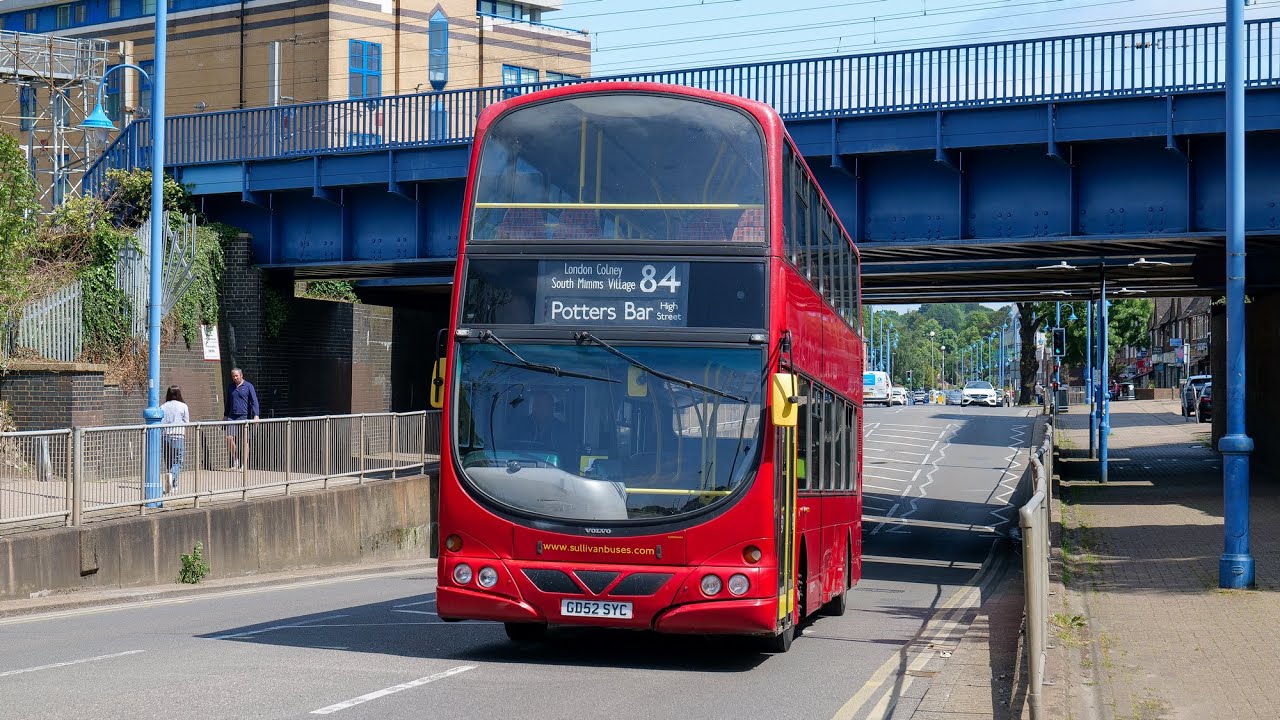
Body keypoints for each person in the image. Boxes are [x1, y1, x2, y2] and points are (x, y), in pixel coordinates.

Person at [224, 367, 260, 469]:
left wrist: (256, 415)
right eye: (233, 376)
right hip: (232, 416)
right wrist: (225, 415)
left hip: (244, 416)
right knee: (229, 438)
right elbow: (228, 402)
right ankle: (236, 460)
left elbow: (254, 401)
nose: (235, 378)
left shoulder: (248, 386)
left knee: (245, 440)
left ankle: (244, 464)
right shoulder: (231, 387)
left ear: (241, 375)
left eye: (236, 376)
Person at [161, 385, 190, 493]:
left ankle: (173, 485)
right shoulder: (183, 406)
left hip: (166, 436)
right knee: (178, 461)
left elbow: (161, 422)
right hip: (178, 435)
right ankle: (172, 477)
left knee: (169, 461)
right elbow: (186, 422)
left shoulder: (163, 406)